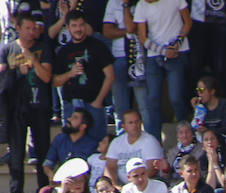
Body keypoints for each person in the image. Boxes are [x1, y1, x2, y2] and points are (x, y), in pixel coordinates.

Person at [0, 12, 52, 193]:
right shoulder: (7, 49)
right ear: (19, 29)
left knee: (42, 149)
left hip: (39, 105)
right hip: (15, 107)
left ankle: (43, 189)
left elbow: (47, 77)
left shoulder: (43, 48)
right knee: (16, 151)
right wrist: (16, 71)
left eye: (34, 28)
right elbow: (2, 78)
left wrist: (32, 59)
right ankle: (16, 192)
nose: (32, 32)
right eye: (28, 28)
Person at [51, 10, 113, 142]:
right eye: (74, 25)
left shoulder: (98, 46)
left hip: (94, 103)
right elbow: (55, 82)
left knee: (98, 147)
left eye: (81, 25)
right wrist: (70, 73)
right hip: (71, 106)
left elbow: (110, 76)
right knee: (72, 146)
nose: (78, 29)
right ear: (68, 27)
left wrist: (98, 101)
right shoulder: (63, 51)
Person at [133, 0, 191, 141]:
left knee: (176, 98)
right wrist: (162, 51)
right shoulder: (142, 5)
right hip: (155, 55)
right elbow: (142, 37)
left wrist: (177, 43)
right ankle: (155, 143)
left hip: (177, 52)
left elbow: (187, 23)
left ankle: (187, 137)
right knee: (153, 99)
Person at [103, 0, 150, 134]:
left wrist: (129, 29)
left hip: (140, 58)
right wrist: (130, 31)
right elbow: (107, 31)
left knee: (144, 106)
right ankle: (122, 142)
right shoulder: (113, 2)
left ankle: (149, 142)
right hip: (118, 57)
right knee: (120, 107)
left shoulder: (143, 3)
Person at [104, 110, 166, 187]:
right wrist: (115, 186)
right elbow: (110, 168)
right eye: (131, 123)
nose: (135, 125)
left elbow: (152, 169)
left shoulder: (150, 141)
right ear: (123, 126)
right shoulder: (116, 142)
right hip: (120, 187)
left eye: (137, 121)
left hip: (145, 184)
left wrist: (131, 188)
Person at [43, 108, 98, 182]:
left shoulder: (92, 145)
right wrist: (50, 175)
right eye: (71, 116)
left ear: (83, 126)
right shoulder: (59, 139)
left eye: (75, 118)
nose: (69, 119)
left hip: (82, 185)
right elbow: (48, 163)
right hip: (62, 182)